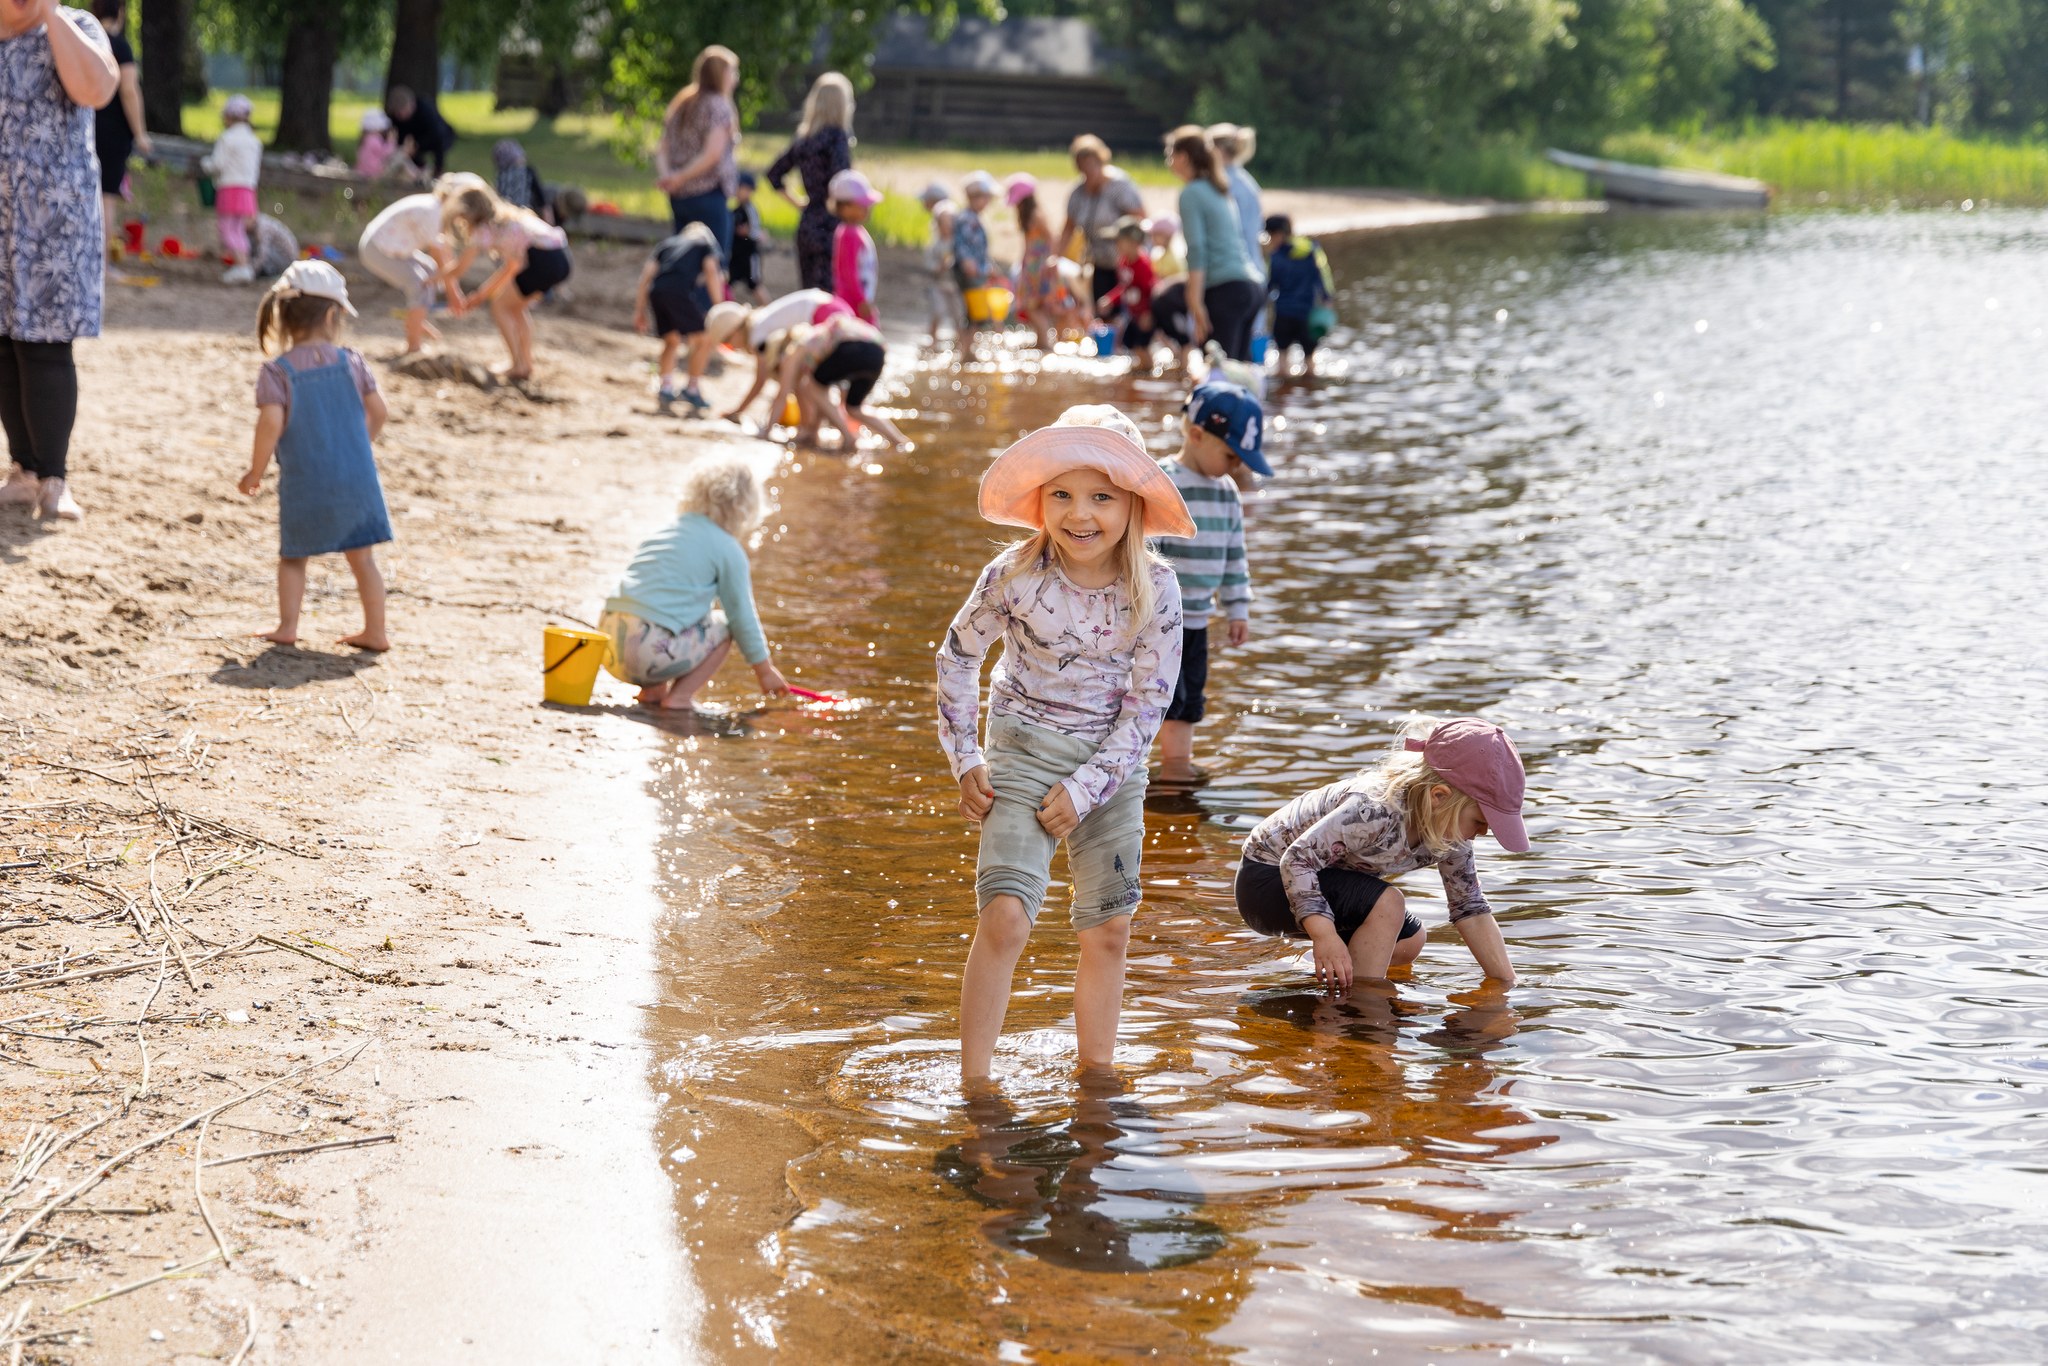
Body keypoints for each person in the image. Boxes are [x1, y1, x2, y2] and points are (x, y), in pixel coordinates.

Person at [938, 405, 1191, 1082]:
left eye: (1102, 497)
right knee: (1007, 917)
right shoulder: (1015, 576)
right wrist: (967, 756)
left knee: (1108, 929)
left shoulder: (1158, 590)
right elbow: (959, 655)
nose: (1082, 514)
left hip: (1111, 767)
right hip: (1020, 748)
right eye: (1063, 495)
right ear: (1041, 500)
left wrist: (1085, 790)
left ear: (1133, 503)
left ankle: (1095, 1087)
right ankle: (976, 1087)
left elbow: (1148, 709)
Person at [1236, 716, 1530, 993]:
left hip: (1318, 881)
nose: (1483, 833)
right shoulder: (1375, 809)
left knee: (1409, 942)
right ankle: (1359, 1008)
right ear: (1439, 797)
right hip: (1267, 880)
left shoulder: (1450, 832)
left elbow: (1471, 908)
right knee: (1389, 903)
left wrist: (1506, 985)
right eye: (1481, 822)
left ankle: (1330, 971)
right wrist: (1323, 936)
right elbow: (1297, 859)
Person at [0, 0, 117, 524]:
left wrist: (51, 17)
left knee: (45, 345)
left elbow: (96, 90)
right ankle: (22, 473)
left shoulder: (77, 27)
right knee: (3, 345)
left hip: (53, 220)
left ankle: (54, 480)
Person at [237, 261, 391, 652]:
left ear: (285, 318)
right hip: (356, 479)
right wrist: (358, 445)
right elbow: (380, 412)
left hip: (306, 481)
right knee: (363, 560)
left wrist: (256, 471)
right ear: (331, 315)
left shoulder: (278, 371)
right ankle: (376, 631)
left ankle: (288, 627)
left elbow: (270, 422)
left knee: (294, 557)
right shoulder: (353, 362)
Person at [601, 455, 790, 712]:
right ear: (746, 508)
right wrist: (764, 670)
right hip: (647, 653)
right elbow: (742, 616)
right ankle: (679, 698)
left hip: (608, 646)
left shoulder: (665, 531)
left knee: (674, 613)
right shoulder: (727, 549)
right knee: (724, 625)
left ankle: (652, 691)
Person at [1153, 381, 1266, 779]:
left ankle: (1176, 771)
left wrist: (1238, 608)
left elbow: (1235, 555)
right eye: (1231, 455)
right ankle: (1144, 772)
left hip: (1198, 621)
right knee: (1158, 697)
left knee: (1189, 700)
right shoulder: (1164, 483)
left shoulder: (1227, 493)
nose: (1237, 466)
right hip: (1157, 623)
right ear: (1197, 435)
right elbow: (1146, 556)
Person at [440, 182, 573, 382]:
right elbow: (511, 268)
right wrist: (480, 295)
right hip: (561, 258)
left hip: (543, 260)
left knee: (501, 307)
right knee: (516, 308)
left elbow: (459, 269)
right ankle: (525, 363)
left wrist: (437, 275)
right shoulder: (509, 221)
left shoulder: (483, 230)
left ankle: (517, 364)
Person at [1163, 125, 1260, 362]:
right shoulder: (1218, 187)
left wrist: (1194, 303)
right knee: (1239, 375)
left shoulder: (1192, 193)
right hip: (1250, 287)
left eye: (1170, 154)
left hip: (1225, 291)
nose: (1168, 161)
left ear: (1183, 157)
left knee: (1219, 377)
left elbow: (1197, 250)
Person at [765, 310, 910, 452]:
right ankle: (899, 441)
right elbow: (823, 397)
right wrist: (813, 430)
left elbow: (783, 394)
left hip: (854, 346)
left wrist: (767, 431)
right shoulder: (820, 339)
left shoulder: (796, 349)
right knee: (854, 407)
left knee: (812, 386)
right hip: (877, 352)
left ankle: (849, 437)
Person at [764, 71, 853, 292]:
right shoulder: (836, 138)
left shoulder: (804, 140)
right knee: (829, 298)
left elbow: (774, 174)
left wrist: (800, 202)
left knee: (809, 296)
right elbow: (841, 183)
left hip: (808, 223)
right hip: (830, 226)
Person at [655, 44, 740, 256]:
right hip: (708, 194)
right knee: (712, 262)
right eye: (732, 72)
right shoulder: (718, 106)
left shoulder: (683, 102)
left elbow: (662, 148)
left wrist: (669, 176)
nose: (736, 78)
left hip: (679, 196)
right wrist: (680, 177)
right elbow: (712, 155)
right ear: (721, 75)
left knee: (683, 259)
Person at [633, 223, 726, 414]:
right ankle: (692, 389)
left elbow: (646, 277)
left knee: (671, 340)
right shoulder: (704, 245)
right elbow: (711, 271)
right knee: (704, 340)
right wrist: (720, 307)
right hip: (678, 291)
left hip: (657, 291)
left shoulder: (667, 244)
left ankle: (666, 387)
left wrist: (640, 310)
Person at [357, 184, 458, 354]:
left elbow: (444, 252)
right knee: (418, 282)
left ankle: (416, 320)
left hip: (392, 248)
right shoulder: (433, 212)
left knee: (429, 269)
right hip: (376, 249)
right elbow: (439, 255)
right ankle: (413, 345)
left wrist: (453, 283)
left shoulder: (436, 207)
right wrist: (453, 293)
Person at [713, 286, 833, 427]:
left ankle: (809, 427)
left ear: (735, 331)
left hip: (822, 315)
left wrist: (738, 411)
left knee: (803, 381)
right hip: (830, 305)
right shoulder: (760, 322)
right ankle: (810, 426)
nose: (733, 348)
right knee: (805, 379)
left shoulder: (756, 336)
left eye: (728, 343)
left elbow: (760, 381)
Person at [1057, 134, 1145, 312]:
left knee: (1127, 312)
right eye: (1083, 168)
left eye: (1092, 166)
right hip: (1098, 261)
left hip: (1125, 263)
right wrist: (1057, 258)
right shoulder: (1078, 193)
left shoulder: (1119, 186)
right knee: (1102, 311)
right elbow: (1068, 228)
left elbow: (1140, 219)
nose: (1088, 173)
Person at [90, 0, 147, 265]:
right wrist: (140, 133)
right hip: (112, 132)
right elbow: (128, 91)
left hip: (85, 126)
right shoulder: (119, 46)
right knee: (106, 196)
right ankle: (102, 263)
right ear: (120, 12)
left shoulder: (84, 39)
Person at [1208, 123, 1268, 351]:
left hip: (1234, 275)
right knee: (1248, 344)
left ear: (1218, 150)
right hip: (1253, 273)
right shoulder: (1246, 183)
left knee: (1228, 349)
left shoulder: (1226, 185)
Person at [1263, 213, 1335, 377]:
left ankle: (1283, 394)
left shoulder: (1276, 257)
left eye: (1270, 236)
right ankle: (1310, 394)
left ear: (1279, 234)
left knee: (1282, 360)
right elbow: (1323, 279)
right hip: (1307, 314)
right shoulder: (1311, 251)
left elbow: (1269, 286)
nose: (1269, 241)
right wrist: (1327, 300)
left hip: (1284, 314)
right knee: (1310, 361)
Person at [1009, 173, 1073, 351]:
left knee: (1035, 306)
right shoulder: (1027, 218)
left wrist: (1052, 259)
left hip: (1040, 267)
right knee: (1032, 306)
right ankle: (1042, 340)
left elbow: (1052, 238)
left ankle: (1046, 342)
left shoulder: (1037, 215)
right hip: (1030, 267)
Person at [205, 94, 262, 285]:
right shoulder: (254, 141)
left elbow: (217, 164)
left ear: (228, 116)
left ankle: (242, 266)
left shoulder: (227, 138)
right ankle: (243, 264)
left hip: (229, 188)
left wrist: (205, 164)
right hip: (247, 190)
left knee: (226, 228)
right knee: (238, 228)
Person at [828, 168, 881, 324]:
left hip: (861, 299)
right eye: (862, 205)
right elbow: (848, 272)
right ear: (845, 207)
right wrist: (861, 300)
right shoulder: (849, 233)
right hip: (852, 302)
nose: (867, 209)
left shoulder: (857, 231)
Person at [1097, 216, 1155, 356]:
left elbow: (1152, 290)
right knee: (1127, 344)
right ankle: (1136, 373)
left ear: (1133, 243)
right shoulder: (1123, 262)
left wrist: (1149, 313)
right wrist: (1110, 299)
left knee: (1142, 347)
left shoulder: (1143, 265)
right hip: (1133, 315)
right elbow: (1124, 287)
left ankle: (1147, 372)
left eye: (1119, 241)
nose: (1116, 245)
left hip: (1145, 315)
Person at [917, 181, 959, 344]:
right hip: (938, 284)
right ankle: (932, 338)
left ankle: (959, 340)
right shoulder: (935, 244)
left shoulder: (957, 243)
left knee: (958, 314)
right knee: (937, 311)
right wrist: (937, 267)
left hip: (954, 285)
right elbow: (929, 262)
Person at [386, 84, 454, 178]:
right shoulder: (395, 118)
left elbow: (436, 134)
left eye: (403, 111)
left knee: (438, 143)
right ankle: (417, 171)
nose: (401, 116)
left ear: (411, 104)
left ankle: (438, 171)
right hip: (413, 137)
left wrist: (417, 145)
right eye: (398, 114)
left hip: (436, 136)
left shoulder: (426, 110)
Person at [953, 171, 997, 308]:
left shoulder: (974, 218)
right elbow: (963, 245)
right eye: (986, 198)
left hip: (978, 271)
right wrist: (969, 263)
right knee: (975, 312)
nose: (988, 202)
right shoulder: (967, 219)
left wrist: (988, 266)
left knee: (977, 312)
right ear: (974, 198)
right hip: (971, 272)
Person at [727, 170, 765, 305]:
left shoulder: (749, 209)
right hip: (736, 255)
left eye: (741, 188)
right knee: (727, 283)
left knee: (754, 284)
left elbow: (754, 230)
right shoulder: (735, 210)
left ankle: (769, 310)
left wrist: (747, 232)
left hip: (749, 255)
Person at [492, 137, 545, 212]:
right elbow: (541, 200)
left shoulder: (500, 175)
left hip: (504, 214)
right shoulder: (527, 172)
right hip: (525, 213)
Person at [355, 108, 400, 178]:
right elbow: (386, 153)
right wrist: (391, 141)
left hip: (363, 170)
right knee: (400, 160)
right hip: (374, 172)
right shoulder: (375, 139)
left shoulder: (365, 139)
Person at [251, 213, 297, 277]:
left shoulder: (262, 226)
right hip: (280, 255)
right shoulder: (256, 224)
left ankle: (269, 271)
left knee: (260, 250)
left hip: (286, 259)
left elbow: (263, 253)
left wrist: (251, 271)